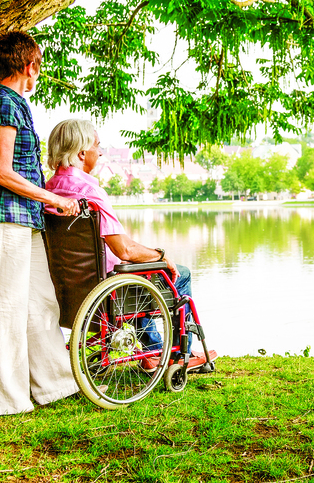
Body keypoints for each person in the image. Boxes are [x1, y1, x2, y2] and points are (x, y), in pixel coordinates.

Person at [0, 32, 82, 416]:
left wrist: (25, 193)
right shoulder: (3, 102)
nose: (38, 75)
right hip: (6, 219)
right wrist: (54, 198)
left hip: (23, 218)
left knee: (39, 301)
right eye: (38, 67)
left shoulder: (7, 103)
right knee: (2, 305)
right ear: (28, 65)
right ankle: (0, 399)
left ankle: (54, 385)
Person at [45, 119, 216, 371]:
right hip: (108, 292)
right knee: (177, 274)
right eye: (98, 146)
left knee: (138, 275)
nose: (101, 152)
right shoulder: (90, 192)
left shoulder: (49, 189)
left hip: (69, 290)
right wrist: (161, 254)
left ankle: (151, 351)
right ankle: (181, 356)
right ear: (82, 153)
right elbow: (124, 250)